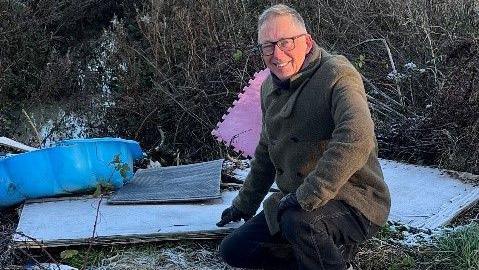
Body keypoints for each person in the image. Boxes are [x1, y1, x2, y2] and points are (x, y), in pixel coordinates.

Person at [216, 4, 391, 270]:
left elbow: (357, 136)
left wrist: (307, 195)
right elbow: (266, 150)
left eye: (285, 42)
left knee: (300, 222)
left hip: (355, 200)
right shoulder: (268, 88)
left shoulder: (337, 74)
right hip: (295, 202)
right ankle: (322, 253)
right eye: (267, 46)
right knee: (234, 250)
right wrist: (243, 204)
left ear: (307, 41)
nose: (277, 54)